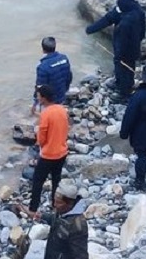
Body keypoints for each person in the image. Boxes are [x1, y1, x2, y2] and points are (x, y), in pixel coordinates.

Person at [85, 0, 146, 101]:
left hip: (123, 49)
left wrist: (91, 29)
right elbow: (143, 30)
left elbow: (107, 20)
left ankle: (124, 94)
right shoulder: (139, 11)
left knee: (121, 67)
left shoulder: (125, 19)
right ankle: (123, 83)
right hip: (135, 45)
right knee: (130, 66)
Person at [26, 84, 69, 215]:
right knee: (56, 179)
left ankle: (33, 208)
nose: (38, 98)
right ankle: (55, 205)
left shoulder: (45, 114)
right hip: (62, 152)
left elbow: (42, 137)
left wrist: (40, 144)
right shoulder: (62, 110)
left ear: (44, 98)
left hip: (48, 155)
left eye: (38, 96)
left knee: (38, 181)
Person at [39, 181, 89, 259]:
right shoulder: (62, 211)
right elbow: (56, 221)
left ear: (69, 204)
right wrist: (41, 216)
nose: (54, 205)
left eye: (58, 202)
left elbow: (81, 255)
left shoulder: (77, 226)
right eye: (54, 200)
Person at [31, 37, 72, 111]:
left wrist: (35, 103)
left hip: (50, 101)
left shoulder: (42, 67)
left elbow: (40, 87)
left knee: (38, 114)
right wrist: (65, 90)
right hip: (62, 95)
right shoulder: (64, 58)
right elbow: (69, 77)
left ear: (43, 49)